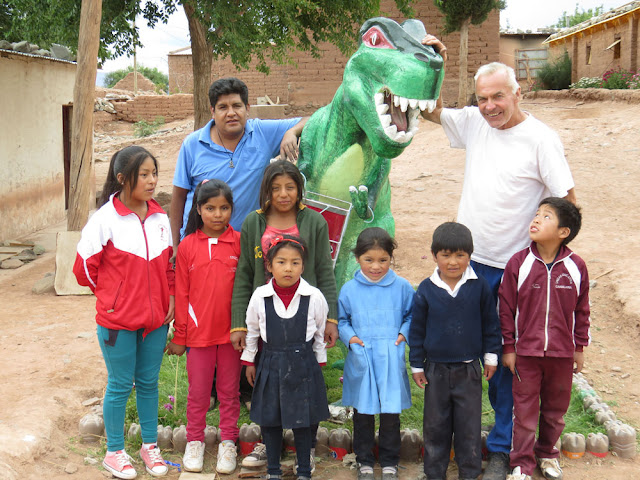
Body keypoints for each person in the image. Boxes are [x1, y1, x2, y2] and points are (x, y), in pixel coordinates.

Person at [421, 35, 577, 480]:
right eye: (482, 98)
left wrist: (549, 263)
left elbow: (567, 203)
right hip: (467, 268)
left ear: (517, 93)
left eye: (498, 97)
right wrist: (438, 60)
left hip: (516, 272)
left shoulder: (541, 139)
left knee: (509, 359)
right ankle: (464, 440)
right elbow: (428, 108)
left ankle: (503, 445)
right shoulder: (473, 123)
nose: (489, 106)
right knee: (465, 355)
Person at [73, 146, 174, 479]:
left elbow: (168, 267)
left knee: (148, 384)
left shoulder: (161, 218)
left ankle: (149, 447)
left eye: (153, 173)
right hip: (117, 322)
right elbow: (84, 268)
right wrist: (111, 298)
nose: (150, 180)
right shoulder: (104, 219)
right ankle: (115, 451)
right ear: (121, 178)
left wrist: (168, 298)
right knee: (119, 385)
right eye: (143, 174)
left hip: (155, 322)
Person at [232, 160, 338, 471]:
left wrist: (330, 319)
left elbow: (324, 272)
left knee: (304, 383)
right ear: (266, 190)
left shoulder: (315, 222)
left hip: (303, 315)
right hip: (266, 317)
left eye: (289, 187)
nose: (283, 194)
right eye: (276, 188)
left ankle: (305, 457)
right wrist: (240, 322)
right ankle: (271, 447)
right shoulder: (253, 223)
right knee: (269, 386)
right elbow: (244, 274)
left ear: (299, 189)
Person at [499, 198, 590, 480]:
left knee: (554, 412)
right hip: (525, 354)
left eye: (546, 216)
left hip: (562, 355)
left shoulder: (576, 267)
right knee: (524, 413)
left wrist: (579, 348)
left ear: (564, 232)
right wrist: (509, 347)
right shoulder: (519, 263)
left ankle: (548, 454)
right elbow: (506, 308)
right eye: (536, 214)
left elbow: (582, 309)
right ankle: (522, 464)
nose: (536, 219)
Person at [409, 222, 502, 480]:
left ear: (470, 256)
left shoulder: (479, 286)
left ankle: (469, 473)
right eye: (446, 255)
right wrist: (417, 364)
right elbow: (417, 330)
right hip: (435, 370)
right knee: (435, 426)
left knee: (468, 427)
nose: (453, 262)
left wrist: (491, 357)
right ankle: (434, 473)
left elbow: (490, 325)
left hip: (469, 370)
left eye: (460, 255)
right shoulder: (426, 289)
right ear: (435, 254)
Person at [164, 179, 242, 474]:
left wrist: (244, 329)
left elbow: (245, 288)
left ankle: (228, 443)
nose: (218, 214)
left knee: (229, 391)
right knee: (198, 392)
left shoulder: (239, 242)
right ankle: (194, 440)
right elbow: (182, 294)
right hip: (198, 336)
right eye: (210, 208)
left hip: (232, 335)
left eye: (224, 208)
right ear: (198, 209)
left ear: (231, 209)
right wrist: (181, 335)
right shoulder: (186, 246)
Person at [241, 235, 330, 480]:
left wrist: (318, 361)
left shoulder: (314, 297)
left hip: (304, 364)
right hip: (271, 361)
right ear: (269, 266)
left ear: (303, 266)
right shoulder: (260, 296)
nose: (288, 268)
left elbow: (320, 331)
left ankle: (303, 471)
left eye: (295, 262)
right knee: (270, 419)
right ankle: (273, 471)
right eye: (281, 262)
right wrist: (250, 361)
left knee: (302, 420)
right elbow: (252, 331)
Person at [338, 227, 414, 480]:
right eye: (368, 260)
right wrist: (352, 339)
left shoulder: (402, 287)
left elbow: (412, 315)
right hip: (363, 355)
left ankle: (390, 462)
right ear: (357, 258)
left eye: (383, 260)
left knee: (391, 414)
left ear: (391, 258)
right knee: (363, 412)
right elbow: (342, 320)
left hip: (391, 355)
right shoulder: (349, 289)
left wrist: (404, 333)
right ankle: (365, 462)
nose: (376, 266)